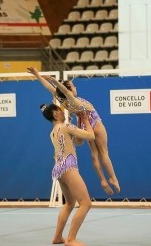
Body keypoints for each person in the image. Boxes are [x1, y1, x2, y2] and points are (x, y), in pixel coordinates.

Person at [28, 67, 120, 195]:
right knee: (104, 152)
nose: (75, 88)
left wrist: (37, 74)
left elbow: (48, 88)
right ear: (69, 91)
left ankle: (102, 180)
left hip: (83, 123)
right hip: (94, 121)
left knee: (94, 154)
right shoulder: (72, 100)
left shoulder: (62, 100)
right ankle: (113, 178)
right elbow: (63, 90)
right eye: (73, 86)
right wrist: (55, 81)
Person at [40, 103, 94, 246]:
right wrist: (87, 121)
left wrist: (80, 121)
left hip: (58, 169)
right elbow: (91, 136)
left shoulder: (53, 132)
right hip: (69, 167)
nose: (64, 112)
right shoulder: (66, 126)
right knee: (86, 204)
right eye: (61, 111)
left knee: (70, 203)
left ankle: (57, 237)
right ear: (56, 114)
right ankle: (70, 239)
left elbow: (79, 141)